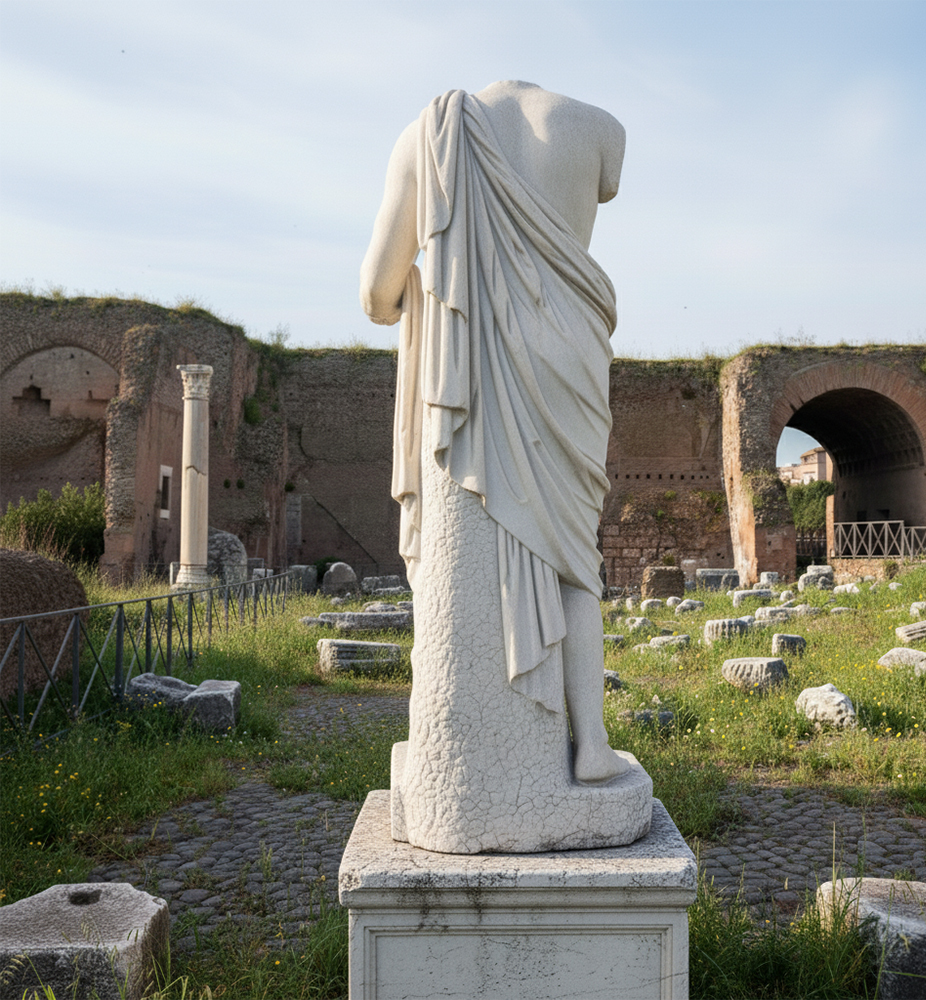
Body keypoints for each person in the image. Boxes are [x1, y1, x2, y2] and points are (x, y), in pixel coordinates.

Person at [361, 82, 646, 853]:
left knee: (514, 556)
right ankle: (589, 744)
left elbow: (375, 292)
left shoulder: (429, 133)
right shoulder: (601, 127)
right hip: (568, 360)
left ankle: (483, 747)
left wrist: (435, 294)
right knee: (573, 562)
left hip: (473, 369)